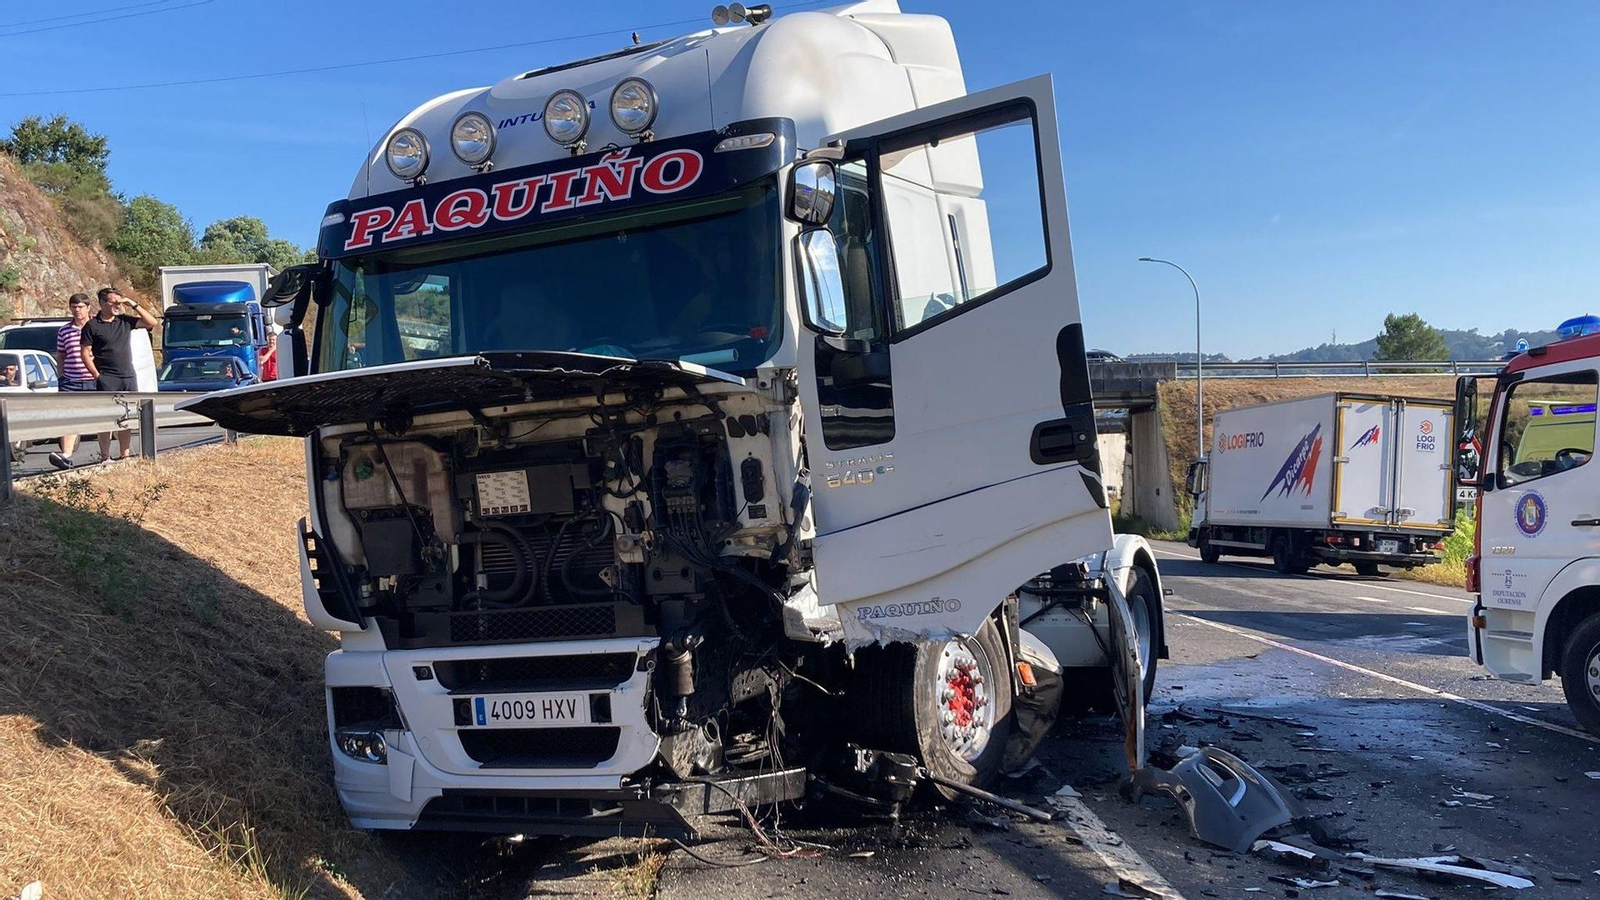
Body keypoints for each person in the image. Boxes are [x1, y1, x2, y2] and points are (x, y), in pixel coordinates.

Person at [80, 286, 156, 461]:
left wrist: (132, 303)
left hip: (127, 376)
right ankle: (105, 456)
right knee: (106, 418)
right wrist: (97, 376)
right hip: (107, 377)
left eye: (119, 302)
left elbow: (152, 323)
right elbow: (85, 352)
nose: (117, 305)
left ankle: (125, 455)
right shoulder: (92, 325)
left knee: (126, 417)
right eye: (113, 302)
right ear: (102, 303)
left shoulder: (124, 321)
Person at [50, 293, 103, 469]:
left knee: (103, 417)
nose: (77, 310)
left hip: (95, 379)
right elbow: (61, 356)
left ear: (88, 307)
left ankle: (106, 455)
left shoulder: (98, 326)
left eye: (81, 306)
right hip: (71, 380)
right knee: (69, 418)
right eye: (74, 307)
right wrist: (61, 377)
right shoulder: (64, 330)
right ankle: (65, 456)